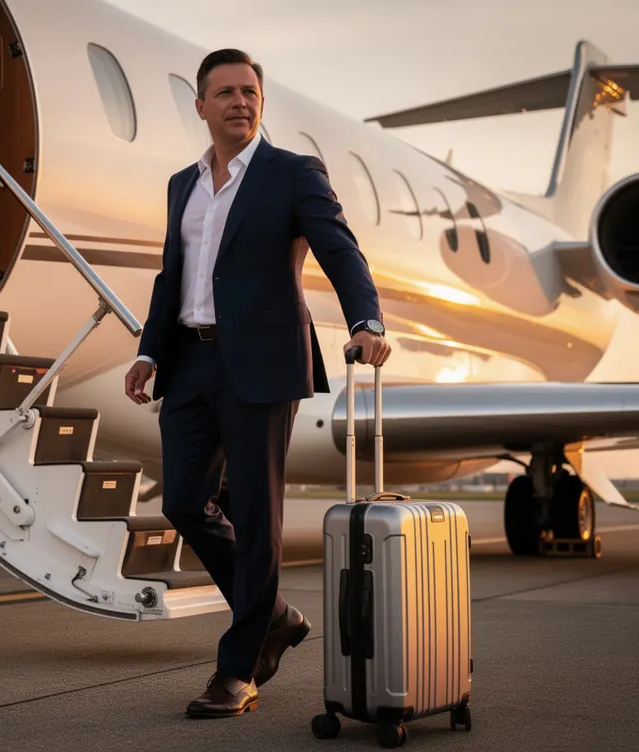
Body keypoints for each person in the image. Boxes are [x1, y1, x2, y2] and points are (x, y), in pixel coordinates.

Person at [123, 48, 391, 719]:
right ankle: (271, 614)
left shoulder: (291, 174)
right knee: (184, 502)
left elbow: (340, 249)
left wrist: (366, 319)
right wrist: (149, 352)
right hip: (190, 363)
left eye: (250, 92)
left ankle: (238, 670)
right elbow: (171, 279)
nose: (241, 102)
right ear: (201, 105)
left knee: (256, 517)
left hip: (262, 363)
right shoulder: (183, 184)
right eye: (226, 93)